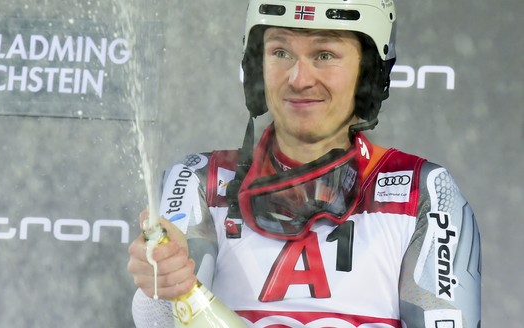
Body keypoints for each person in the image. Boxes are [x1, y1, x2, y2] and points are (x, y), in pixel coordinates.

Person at [127, 0, 482, 327]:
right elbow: (167, 321)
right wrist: (161, 285)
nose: (299, 79)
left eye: (325, 55)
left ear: (369, 74)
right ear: (255, 67)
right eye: (280, 51)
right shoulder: (197, 179)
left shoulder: (425, 192)